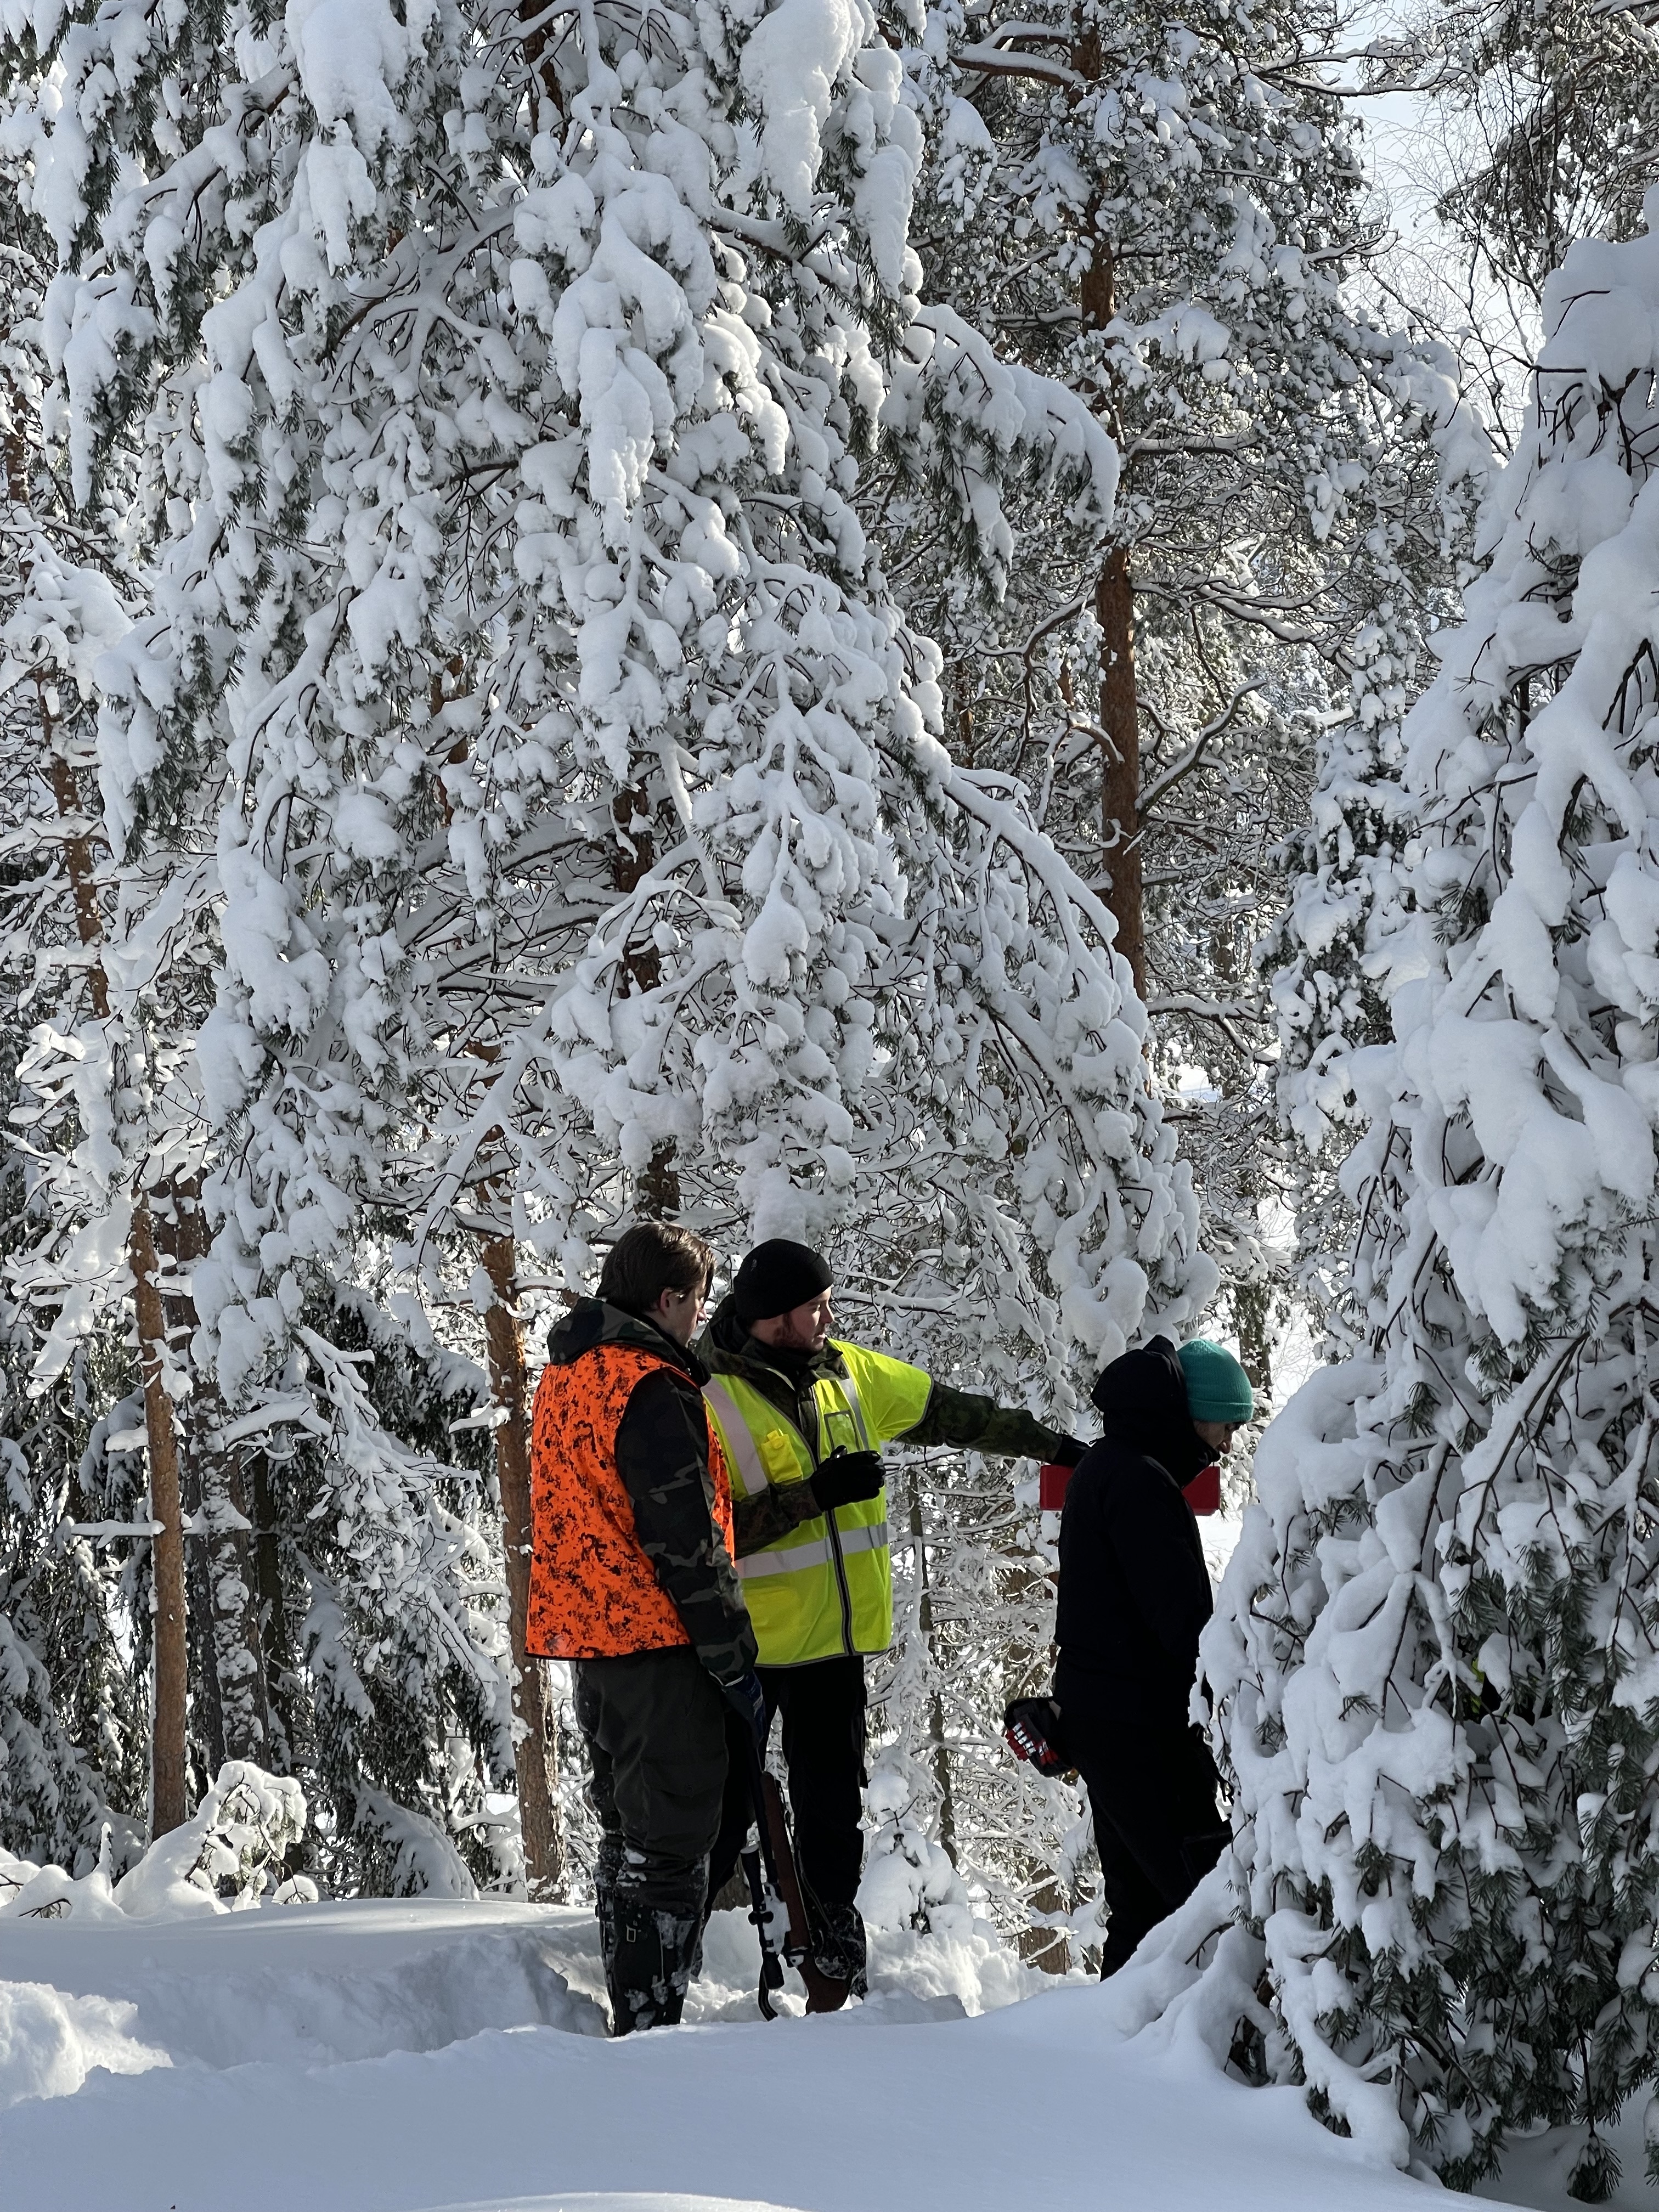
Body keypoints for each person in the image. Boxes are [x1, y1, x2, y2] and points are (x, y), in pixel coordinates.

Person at [700, 1237, 1086, 2000]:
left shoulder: (847, 1371)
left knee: (831, 1806)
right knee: (719, 1810)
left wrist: (1054, 1447)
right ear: (775, 1319)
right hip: (747, 1648)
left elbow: (951, 1413)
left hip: (833, 1650)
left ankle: (834, 1945)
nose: (829, 1316)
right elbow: (705, 1533)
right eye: (816, 1307)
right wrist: (816, 1495)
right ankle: (680, 1952)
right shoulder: (707, 1398)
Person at [526, 1221, 764, 2035]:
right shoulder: (650, 1386)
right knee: (670, 1842)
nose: (701, 1316)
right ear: (667, 1301)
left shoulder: (567, 1378)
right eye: (696, 1301)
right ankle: (651, 2032)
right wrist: (732, 1655)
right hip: (658, 1640)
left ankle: (633, 2011)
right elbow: (685, 1539)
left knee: (630, 1830)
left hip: (590, 1643)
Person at [1054, 1333, 1253, 1977]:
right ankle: (1182, 2053)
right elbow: (1183, 1624)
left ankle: (1117, 2053)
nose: (1227, 1443)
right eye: (1226, 1424)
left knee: (1140, 1913)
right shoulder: (1140, 1482)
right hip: (1142, 1730)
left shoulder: (1115, 1467)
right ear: (1190, 1413)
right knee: (1198, 1903)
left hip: (1109, 1721)